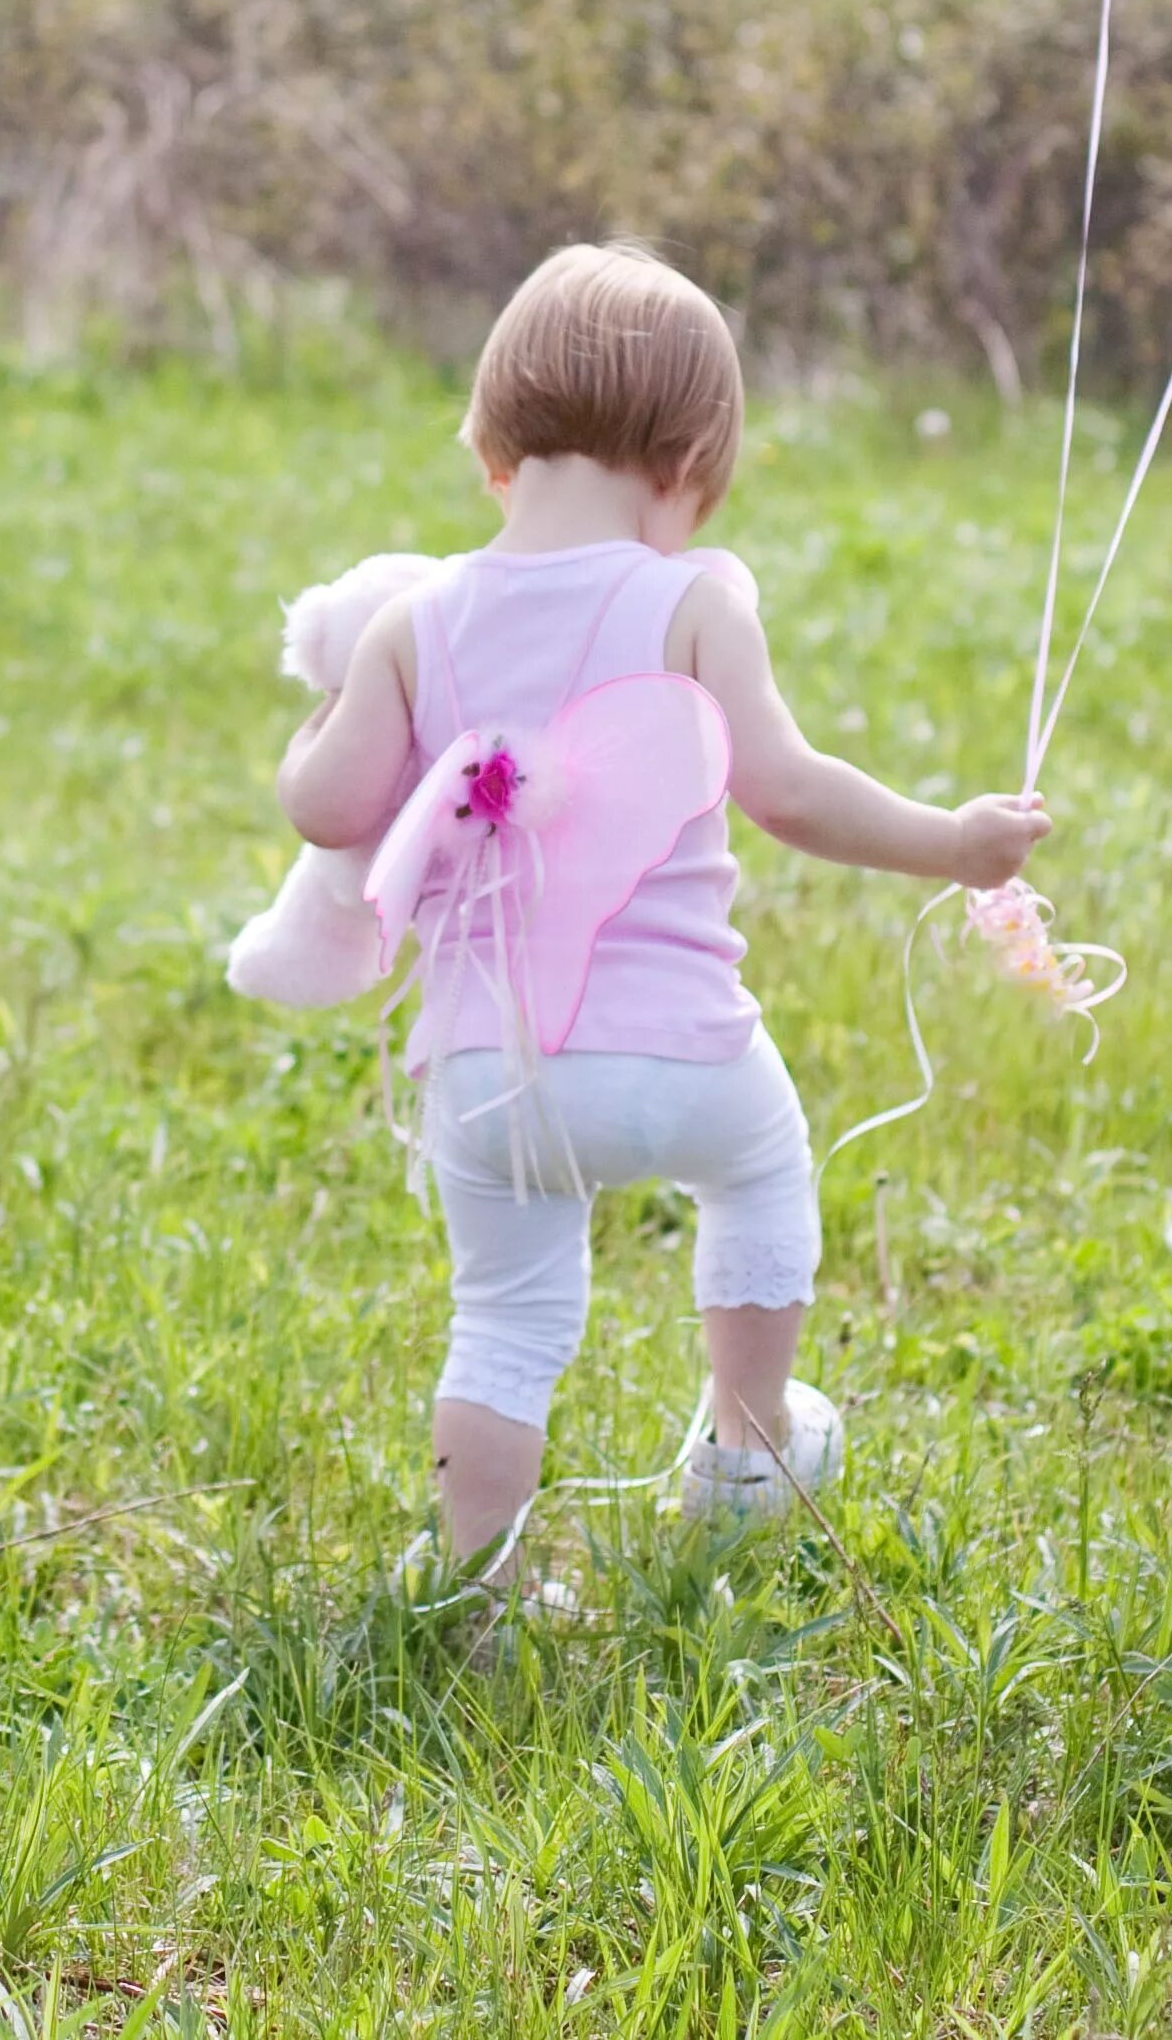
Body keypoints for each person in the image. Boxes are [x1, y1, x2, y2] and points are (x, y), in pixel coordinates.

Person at [275, 242, 1050, 1570]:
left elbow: (327, 807)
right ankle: (744, 1452)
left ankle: (470, 1576)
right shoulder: (690, 602)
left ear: (490, 445)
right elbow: (792, 792)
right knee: (763, 1175)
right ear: (689, 459)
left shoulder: (415, 621)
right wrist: (957, 843)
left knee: (506, 1319)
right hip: (685, 1050)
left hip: (492, 1071)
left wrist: (332, 707)